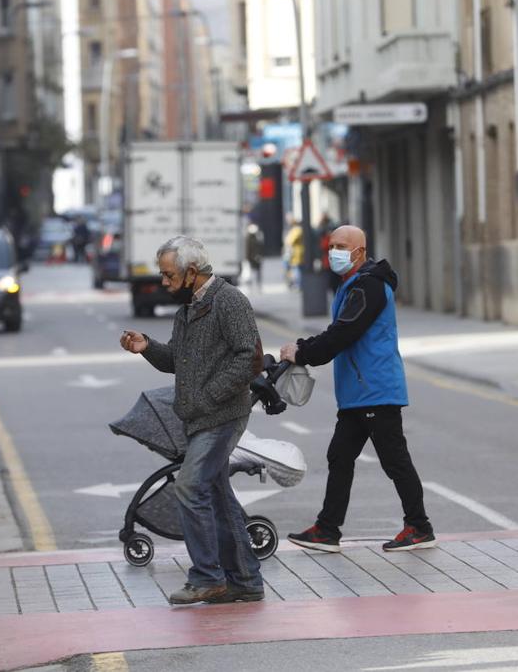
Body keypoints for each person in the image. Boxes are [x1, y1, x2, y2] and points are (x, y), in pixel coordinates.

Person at [120, 235, 265, 604]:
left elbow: (249, 358)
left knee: (189, 486)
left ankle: (207, 576)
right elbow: (178, 361)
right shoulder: (188, 309)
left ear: (192, 273)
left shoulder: (229, 301)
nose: (163, 283)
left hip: (223, 415)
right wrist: (147, 347)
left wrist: (209, 395)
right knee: (217, 496)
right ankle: (246, 580)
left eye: (169, 276)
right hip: (199, 417)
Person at [279, 225, 436, 553]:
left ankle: (419, 527)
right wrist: (305, 345)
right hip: (358, 393)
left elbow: (344, 334)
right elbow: (339, 330)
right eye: (331, 245)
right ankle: (327, 530)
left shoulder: (370, 287)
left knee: (394, 459)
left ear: (360, 252)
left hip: (376, 390)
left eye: (341, 246)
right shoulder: (352, 285)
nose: (333, 251)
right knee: (340, 456)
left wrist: (304, 352)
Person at [283, 215, 304, 289]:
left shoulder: (297, 230)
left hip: (296, 253)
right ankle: (295, 283)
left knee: (297, 269)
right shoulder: (295, 229)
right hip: (294, 253)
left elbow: (290, 241)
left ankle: (298, 284)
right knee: (295, 269)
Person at [245, 223, 264, 289]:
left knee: (253, 271)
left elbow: (248, 249)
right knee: (256, 272)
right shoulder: (257, 238)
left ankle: (255, 284)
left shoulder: (249, 238)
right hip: (255, 257)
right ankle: (257, 284)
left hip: (253, 257)